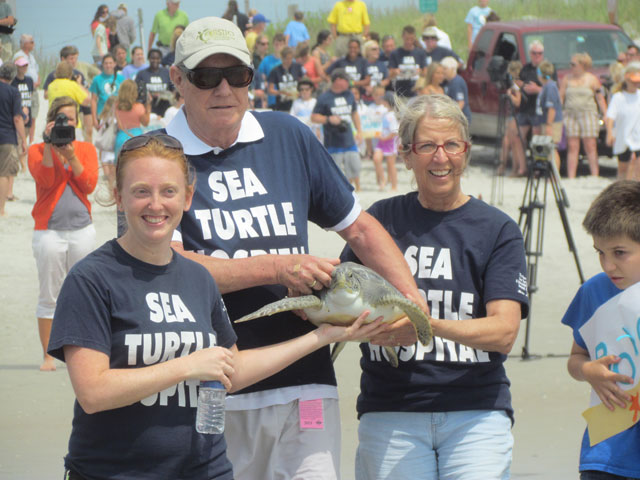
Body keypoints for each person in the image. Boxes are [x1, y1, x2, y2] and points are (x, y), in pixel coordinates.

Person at [165, 17, 425, 480]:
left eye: (237, 75)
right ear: (177, 80)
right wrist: (278, 268)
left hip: (306, 374)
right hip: (211, 384)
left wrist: (412, 302)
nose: (223, 88)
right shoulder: (157, 154)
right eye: (207, 76)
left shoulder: (288, 135)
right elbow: (168, 266)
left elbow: (361, 230)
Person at [47, 132, 388, 479]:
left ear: (187, 197)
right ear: (119, 197)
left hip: (204, 468)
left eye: (168, 191)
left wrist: (325, 335)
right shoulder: (91, 278)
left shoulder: (198, 278)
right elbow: (93, 391)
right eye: (140, 192)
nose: (155, 204)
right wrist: (186, 366)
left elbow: (232, 371)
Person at [341, 94, 528, 479]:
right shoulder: (379, 222)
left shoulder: (497, 230)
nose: (440, 157)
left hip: (476, 411)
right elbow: (340, 298)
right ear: (406, 155)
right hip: (391, 407)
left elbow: (504, 332)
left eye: (451, 145)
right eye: (426, 146)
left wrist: (426, 325)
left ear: (466, 150)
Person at [561, 180, 640, 480]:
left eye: (620, 253)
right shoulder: (594, 291)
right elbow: (576, 358)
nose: (608, 265)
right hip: (606, 452)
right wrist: (588, 371)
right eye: (600, 252)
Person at [28, 95, 98, 371]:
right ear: (50, 122)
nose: (65, 123)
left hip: (82, 230)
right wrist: (49, 147)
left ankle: (79, 353)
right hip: (49, 232)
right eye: (60, 118)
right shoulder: (37, 149)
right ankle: (48, 355)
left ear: (77, 121)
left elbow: (89, 184)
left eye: (70, 118)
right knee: (49, 295)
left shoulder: (86, 148)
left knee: (81, 292)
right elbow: (45, 181)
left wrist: (71, 156)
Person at [312, 68, 364, 191]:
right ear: (339, 80)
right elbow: (314, 117)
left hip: (349, 139)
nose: (349, 84)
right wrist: (329, 119)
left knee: (355, 167)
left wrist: (359, 131)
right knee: (334, 171)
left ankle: (354, 189)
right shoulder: (325, 97)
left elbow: (354, 113)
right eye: (347, 81)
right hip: (333, 141)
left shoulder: (349, 94)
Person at [559, 52, 607, 178]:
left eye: (573, 64)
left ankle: (595, 174)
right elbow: (561, 97)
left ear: (582, 65)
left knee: (590, 144)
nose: (571, 67)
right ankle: (571, 175)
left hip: (588, 113)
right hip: (570, 114)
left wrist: (605, 114)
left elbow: (600, 98)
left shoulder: (592, 79)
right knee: (573, 145)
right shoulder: (567, 78)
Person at [512, 40, 547, 178]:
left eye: (540, 53)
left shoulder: (546, 69)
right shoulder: (525, 69)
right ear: (530, 54)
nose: (537, 56)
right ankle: (522, 167)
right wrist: (517, 87)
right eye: (534, 53)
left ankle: (539, 167)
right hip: (525, 108)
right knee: (518, 137)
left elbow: (553, 88)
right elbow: (516, 85)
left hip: (538, 110)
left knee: (537, 139)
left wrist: (537, 89)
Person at [606, 62, 640, 180]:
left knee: (637, 166)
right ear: (626, 79)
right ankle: (621, 190)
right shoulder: (619, 97)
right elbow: (610, 116)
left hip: (638, 137)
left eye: (637, 82)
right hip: (623, 137)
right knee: (623, 168)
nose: (636, 84)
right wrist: (610, 133)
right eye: (633, 81)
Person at [0, 63, 26, 217]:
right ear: (12, 76)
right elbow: (17, 118)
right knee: (3, 174)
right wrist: (23, 139)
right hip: (6, 137)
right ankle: (1, 209)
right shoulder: (13, 92)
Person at [499, 60, 524, 176]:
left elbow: (518, 102)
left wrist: (510, 96)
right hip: (512, 115)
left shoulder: (515, 86)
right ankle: (504, 166)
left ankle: (514, 168)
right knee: (507, 141)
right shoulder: (515, 84)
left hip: (515, 115)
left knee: (512, 142)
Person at [537, 60, 563, 170]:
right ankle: (549, 171)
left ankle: (555, 172)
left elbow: (551, 108)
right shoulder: (546, 86)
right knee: (548, 148)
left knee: (552, 148)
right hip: (545, 121)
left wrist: (548, 125)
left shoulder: (550, 86)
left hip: (552, 123)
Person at [114, 79, 151, 156]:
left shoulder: (116, 105)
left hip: (121, 136)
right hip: (136, 137)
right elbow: (145, 123)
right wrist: (148, 109)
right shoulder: (138, 107)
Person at [388, 25, 427, 98]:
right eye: (407, 39)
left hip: (416, 91)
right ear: (402, 37)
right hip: (400, 91)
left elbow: (426, 72)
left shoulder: (420, 53)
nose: (409, 42)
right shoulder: (395, 53)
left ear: (415, 38)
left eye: (411, 39)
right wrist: (395, 72)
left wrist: (419, 71)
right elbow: (390, 74)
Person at [371, 89, 398, 191]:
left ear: (387, 102)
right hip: (381, 141)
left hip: (389, 142)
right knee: (376, 159)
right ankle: (383, 181)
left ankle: (394, 185)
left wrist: (384, 138)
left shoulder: (393, 115)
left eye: (383, 100)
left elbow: (394, 132)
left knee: (391, 165)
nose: (381, 101)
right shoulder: (385, 112)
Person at [135, 48, 173, 117]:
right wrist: (149, 96)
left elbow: (173, 90)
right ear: (148, 59)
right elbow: (138, 93)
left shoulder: (167, 73)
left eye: (157, 58)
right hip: (149, 111)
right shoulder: (141, 74)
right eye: (152, 58)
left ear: (160, 59)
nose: (155, 60)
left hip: (166, 110)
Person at [11, 57, 34, 173]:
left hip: (28, 113)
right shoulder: (13, 82)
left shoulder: (29, 80)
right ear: (17, 66)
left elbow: (31, 97)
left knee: (25, 139)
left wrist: (29, 113)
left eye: (25, 65)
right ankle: (22, 165)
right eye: (21, 65)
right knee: (19, 140)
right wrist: (21, 111)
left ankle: (23, 164)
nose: (24, 67)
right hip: (18, 113)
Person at [267, 47, 305, 112]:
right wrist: (281, 92)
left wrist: (300, 92)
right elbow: (270, 90)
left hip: (296, 103)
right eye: (286, 59)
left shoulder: (297, 67)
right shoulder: (275, 71)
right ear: (282, 58)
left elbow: (303, 82)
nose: (288, 61)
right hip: (281, 104)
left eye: (290, 58)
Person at [257, 33, 286, 109]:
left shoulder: (289, 61)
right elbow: (260, 79)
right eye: (276, 44)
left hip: (286, 99)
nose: (278, 47)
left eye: (281, 44)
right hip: (271, 99)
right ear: (273, 44)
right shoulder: (266, 61)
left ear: (285, 45)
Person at [442, 56, 471, 123]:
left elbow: (460, 103)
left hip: (460, 118)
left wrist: (450, 116)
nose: (443, 71)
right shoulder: (447, 81)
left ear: (452, 69)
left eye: (445, 69)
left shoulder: (456, 82)